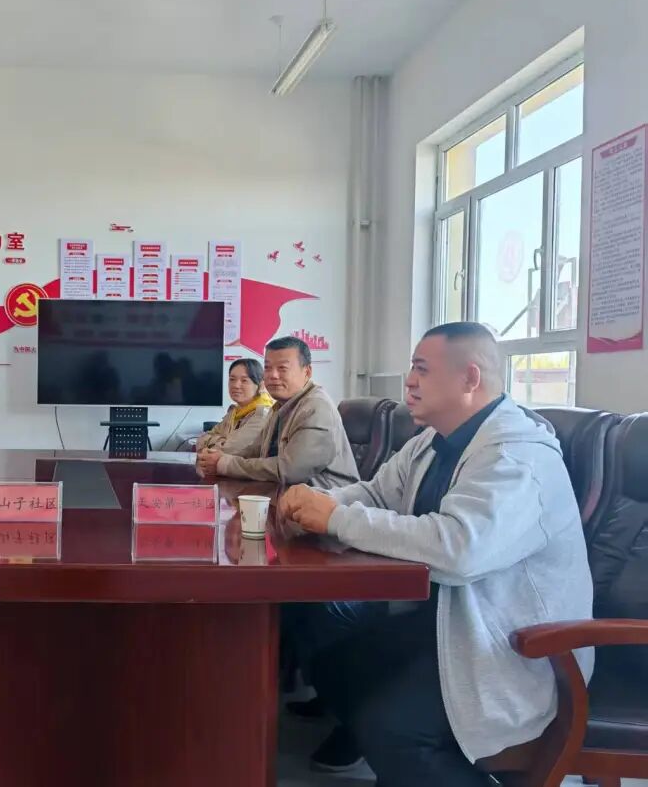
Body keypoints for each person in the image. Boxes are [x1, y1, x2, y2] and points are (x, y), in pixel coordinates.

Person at [278, 322, 594, 786]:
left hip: (514, 647)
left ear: (470, 378)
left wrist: (336, 519)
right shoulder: (432, 441)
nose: (409, 381)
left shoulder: (518, 458)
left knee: (391, 727)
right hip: (447, 622)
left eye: (422, 369)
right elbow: (376, 494)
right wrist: (316, 505)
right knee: (335, 659)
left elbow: (459, 548)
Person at [196, 336, 358, 487]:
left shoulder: (315, 408)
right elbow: (255, 449)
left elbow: (290, 470)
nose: (273, 375)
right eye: (268, 368)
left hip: (328, 499)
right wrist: (216, 457)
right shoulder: (281, 406)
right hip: (288, 495)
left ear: (307, 372)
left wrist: (225, 464)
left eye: (282, 368)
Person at [195, 359, 274, 456]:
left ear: (260, 385)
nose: (236, 385)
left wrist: (217, 441)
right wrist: (223, 441)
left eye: (244, 380)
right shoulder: (235, 412)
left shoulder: (262, 414)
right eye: (232, 379)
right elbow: (201, 441)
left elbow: (228, 451)